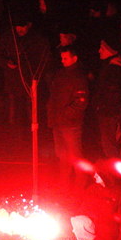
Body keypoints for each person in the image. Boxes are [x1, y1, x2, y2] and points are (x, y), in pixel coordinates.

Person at [47, 46, 89, 189]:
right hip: (58, 122)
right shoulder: (60, 74)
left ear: (74, 58)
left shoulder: (78, 77)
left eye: (65, 58)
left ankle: (80, 185)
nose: (62, 61)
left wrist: (66, 115)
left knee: (75, 155)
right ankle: (64, 183)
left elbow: (80, 102)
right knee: (62, 155)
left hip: (70, 123)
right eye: (61, 58)